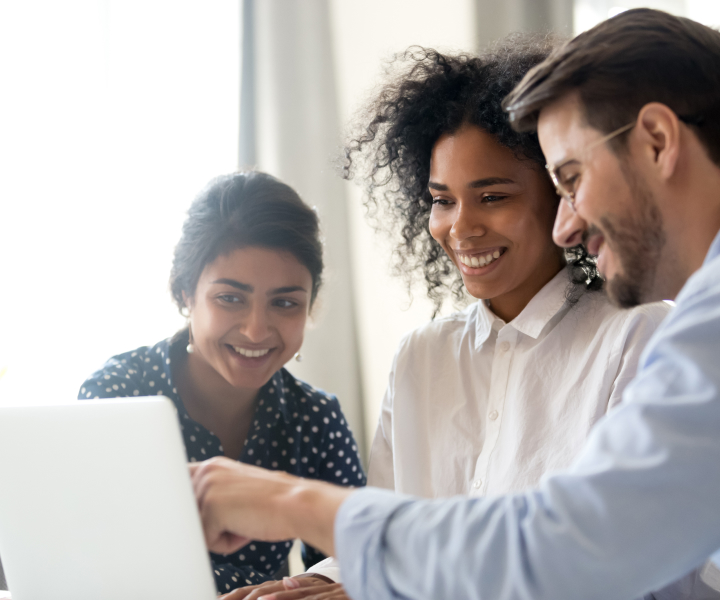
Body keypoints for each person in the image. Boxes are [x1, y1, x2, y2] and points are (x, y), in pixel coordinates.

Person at [189, 9, 720, 600]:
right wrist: (350, 581)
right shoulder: (424, 354)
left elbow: (566, 549)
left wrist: (290, 503)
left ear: (658, 141)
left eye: (569, 178)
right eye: (442, 199)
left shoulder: (664, 334)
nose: (570, 225)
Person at [79, 171, 365, 595]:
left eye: (285, 303)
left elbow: (354, 555)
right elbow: (86, 557)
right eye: (230, 298)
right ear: (185, 293)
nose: (255, 330)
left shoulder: (316, 417)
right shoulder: (118, 395)